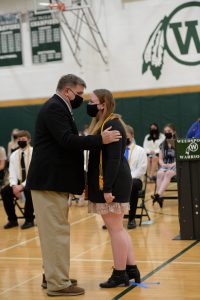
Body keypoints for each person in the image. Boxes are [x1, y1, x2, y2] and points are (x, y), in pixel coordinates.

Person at [26, 74, 121, 297]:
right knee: (56, 233)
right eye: (79, 94)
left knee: (54, 233)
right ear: (67, 91)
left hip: (54, 181)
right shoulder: (54, 108)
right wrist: (100, 140)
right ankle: (58, 283)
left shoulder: (59, 107)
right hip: (49, 181)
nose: (80, 99)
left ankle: (52, 276)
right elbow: (67, 141)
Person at [87, 89, 141, 288]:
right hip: (112, 182)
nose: (88, 104)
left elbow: (114, 159)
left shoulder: (111, 124)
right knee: (118, 228)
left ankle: (119, 274)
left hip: (112, 183)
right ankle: (131, 268)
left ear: (102, 104)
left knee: (115, 230)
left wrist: (107, 188)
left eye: (91, 101)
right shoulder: (107, 123)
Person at [1, 130, 34, 229]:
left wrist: (22, 186)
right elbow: (12, 173)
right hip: (18, 183)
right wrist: (14, 186)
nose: (20, 141)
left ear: (29, 140)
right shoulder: (14, 155)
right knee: (5, 191)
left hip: (32, 181)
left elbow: (34, 173)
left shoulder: (35, 152)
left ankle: (29, 219)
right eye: (19, 140)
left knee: (29, 191)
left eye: (23, 139)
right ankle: (12, 220)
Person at [126, 125, 147, 229]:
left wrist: (128, 178)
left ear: (132, 135)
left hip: (135, 179)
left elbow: (142, 169)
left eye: (126, 135)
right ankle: (112, 219)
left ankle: (131, 218)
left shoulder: (140, 150)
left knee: (133, 185)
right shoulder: (117, 150)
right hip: (120, 180)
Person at [151, 124, 177, 208]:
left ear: (174, 132)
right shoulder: (162, 144)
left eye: (169, 131)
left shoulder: (178, 143)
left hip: (175, 164)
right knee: (159, 174)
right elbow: (160, 159)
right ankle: (160, 197)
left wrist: (172, 164)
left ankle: (158, 194)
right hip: (165, 164)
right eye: (165, 132)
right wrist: (163, 164)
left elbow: (179, 158)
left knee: (168, 173)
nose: (167, 133)